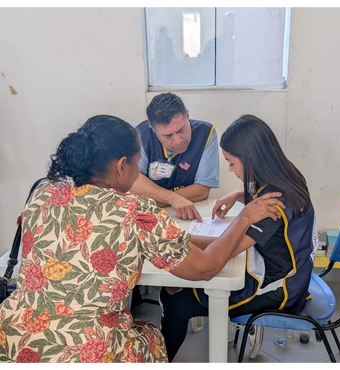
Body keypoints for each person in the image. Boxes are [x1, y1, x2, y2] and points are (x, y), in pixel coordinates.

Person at [0, 114, 285, 365]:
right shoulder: (134, 211)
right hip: (89, 351)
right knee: (150, 336)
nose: (139, 174)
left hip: (14, 337)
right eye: (138, 165)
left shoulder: (42, 192)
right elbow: (205, 269)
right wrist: (245, 217)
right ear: (122, 165)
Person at [159, 114, 319, 364]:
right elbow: (256, 202)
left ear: (251, 159)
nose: (231, 170)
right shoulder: (283, 176)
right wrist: (237, 195)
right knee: (174, 291)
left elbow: (225, 248)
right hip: (292, 271)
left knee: (178, 304)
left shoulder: (272, 206)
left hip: (280, 289)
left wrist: (180, 237)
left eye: (232, 163)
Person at [130, 92, 220, 223]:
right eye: (167, 136)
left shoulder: (206, 133)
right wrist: (172, 199)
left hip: (186, 214)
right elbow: (135, 181)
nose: (177, 141)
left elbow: (202, 190)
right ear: (153, 130)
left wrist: (155, 200)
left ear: (187, 116)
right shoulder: (140, 135)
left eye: (181, 130)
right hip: (151, 216)